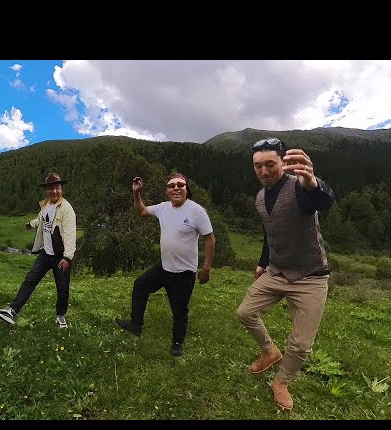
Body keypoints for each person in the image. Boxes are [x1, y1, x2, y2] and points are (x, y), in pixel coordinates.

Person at [236, 138, 335, 411]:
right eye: (258, 166)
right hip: (276, 271)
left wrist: (313, 182)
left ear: (283, 163)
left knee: (302, 344)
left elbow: (323, 200)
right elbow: (271, 232)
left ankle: (281, 382)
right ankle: (270, 352)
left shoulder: (300, 188)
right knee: (245, 312)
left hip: (311, 276)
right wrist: (262, 262)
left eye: (270, 164)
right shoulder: (259, 197)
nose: (264, 171)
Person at [116, 173, 215, 357]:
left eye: (180, 185)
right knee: (140, 285)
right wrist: (136, 193)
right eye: (172, 186)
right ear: (167, 191)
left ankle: (177, 343)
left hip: (184, 273)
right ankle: (136, 324)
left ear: (187, 189)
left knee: (179, 310)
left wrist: (206, 268)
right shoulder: (162, 208)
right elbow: (142, 211)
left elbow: (210, 239)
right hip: (164, 267)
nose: (176, 188)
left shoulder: (196, 211)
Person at [0, 172, 76, 329]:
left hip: (60, 256)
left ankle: (61, 316)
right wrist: (31, 224)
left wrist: (67, 257)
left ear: (61, 188)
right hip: (46, 254)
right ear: (46, 190)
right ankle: (11, 311)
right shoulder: (45, 206)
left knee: (62, 288)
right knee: (30, 280)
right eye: (51, 188)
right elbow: (41, 220)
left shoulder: (66, 209)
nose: (54, 191)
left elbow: (70, 233)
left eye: (57, 187)